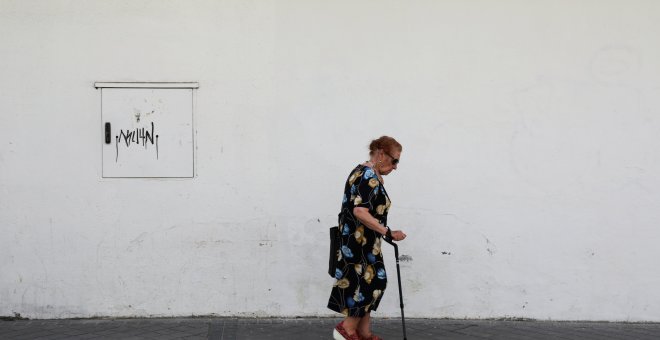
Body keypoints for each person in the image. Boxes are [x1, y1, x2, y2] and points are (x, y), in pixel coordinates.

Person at [328, 136, 407, 340]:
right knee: (369, 284)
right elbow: (360, 212)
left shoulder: (364, 172)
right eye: (394, 160)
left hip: (363, 242)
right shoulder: (368, 175)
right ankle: (346, 330)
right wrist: (387, 232)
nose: (396, 167)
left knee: (370, 284)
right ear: (381, 154)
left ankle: (363, 332)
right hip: (359, 243)